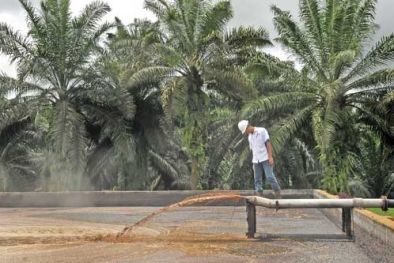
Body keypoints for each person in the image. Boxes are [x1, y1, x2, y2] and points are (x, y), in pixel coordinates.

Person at [238, 120, 281, 199]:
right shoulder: (249, 137)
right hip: (256, 160)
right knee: (257, 179)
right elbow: (253, 150)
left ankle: (277, 193)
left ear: (248, 127)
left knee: (270, 176)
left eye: (246, 130)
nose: (246, 132)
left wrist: (270, 156)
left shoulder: (262, 131)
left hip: (265, 157)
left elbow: (268, 144)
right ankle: (259, 196)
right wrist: (253, 163)